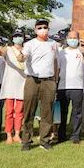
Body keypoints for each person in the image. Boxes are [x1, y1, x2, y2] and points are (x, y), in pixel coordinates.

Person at [18, 18, 59, 151]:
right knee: (29, 110)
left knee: (47, 112)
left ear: (48, 29)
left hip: (48, 80)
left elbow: (55, 61)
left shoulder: (53, 44)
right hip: (33, 80)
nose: (43, 30)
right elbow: (23, 56)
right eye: (40, 27)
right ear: (35, 30)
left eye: (45, 27)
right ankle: (26, 141)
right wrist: (21, 56)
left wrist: (55, 78)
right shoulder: (30, 44)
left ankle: (45, 140)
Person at [57, 30, 84, 144]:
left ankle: (75, 135)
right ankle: (61, 134)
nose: (73, 40)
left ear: (78, 39)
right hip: (63, 86)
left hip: (77, 86)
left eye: (75, 38)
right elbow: (57, 68)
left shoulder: (81, 52)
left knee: (77, 113)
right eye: (71, 37)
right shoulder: (61, 52)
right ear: (67, 39)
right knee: (62, 112)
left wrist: (82, 50)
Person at [0, 28, 27, 144]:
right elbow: (2, 52)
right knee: (9, 111)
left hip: (22, 83)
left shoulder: (26, 50)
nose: (18, 38)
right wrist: (5, 47)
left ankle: (17, 134)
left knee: (19, 111)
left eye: (20, 36)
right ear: (12, 38)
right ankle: (8, 135)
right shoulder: (9, 49)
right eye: (16, 36)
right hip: (10, 84)